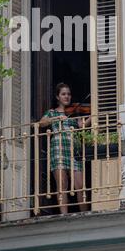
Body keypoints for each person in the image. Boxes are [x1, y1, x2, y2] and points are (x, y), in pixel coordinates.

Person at [39, 82, 91, 214]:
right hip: (58, 148)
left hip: (74, 148)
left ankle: (84, 213)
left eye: (68, 94)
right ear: (58, 97)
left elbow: (82, 125)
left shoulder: (74, 113)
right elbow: (41, 123)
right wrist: (57, 118)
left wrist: (93, 114)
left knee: (80, 185)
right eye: (63, 94)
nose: (66, 96)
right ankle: (64, 215)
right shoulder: (52, 112)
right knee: (62, 184)